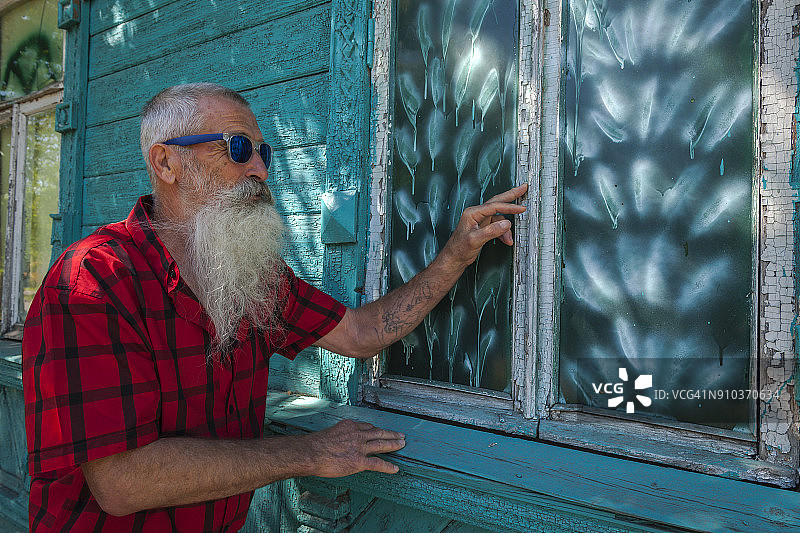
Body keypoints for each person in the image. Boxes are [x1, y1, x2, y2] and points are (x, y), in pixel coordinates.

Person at [23, 83, 527, 531]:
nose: (261, 170)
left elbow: (360, 332)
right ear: (166, 163)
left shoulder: (252, 277)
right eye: (238, 149)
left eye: (262, 152)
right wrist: (309, 452)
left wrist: (457, 254)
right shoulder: (93, 281)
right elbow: (122, 482)